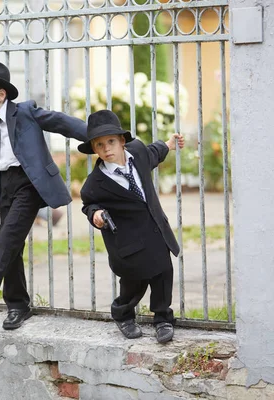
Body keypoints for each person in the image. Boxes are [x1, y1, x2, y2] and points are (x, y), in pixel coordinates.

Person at [0, 60, 87, 330]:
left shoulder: (25, 112)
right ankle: (18, 306)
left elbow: (61, 123)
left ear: (1, 95)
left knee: (6, 238)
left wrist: (100, 135)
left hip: (28, 183)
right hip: (5, 185)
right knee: (10, 244)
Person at [78, 110, 184, 343]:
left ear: (122, 141)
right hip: (127, 241)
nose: (107, 149)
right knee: (134, 282)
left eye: (111, 142)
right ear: (94, 149)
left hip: (155, 229)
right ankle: (123, 314)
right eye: (99, 145)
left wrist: (169, 144)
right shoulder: (94, 184)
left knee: (163, 274)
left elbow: (154, 153)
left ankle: (163, 318)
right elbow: (89, 204)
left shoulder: (137, 153)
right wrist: (95, 214)